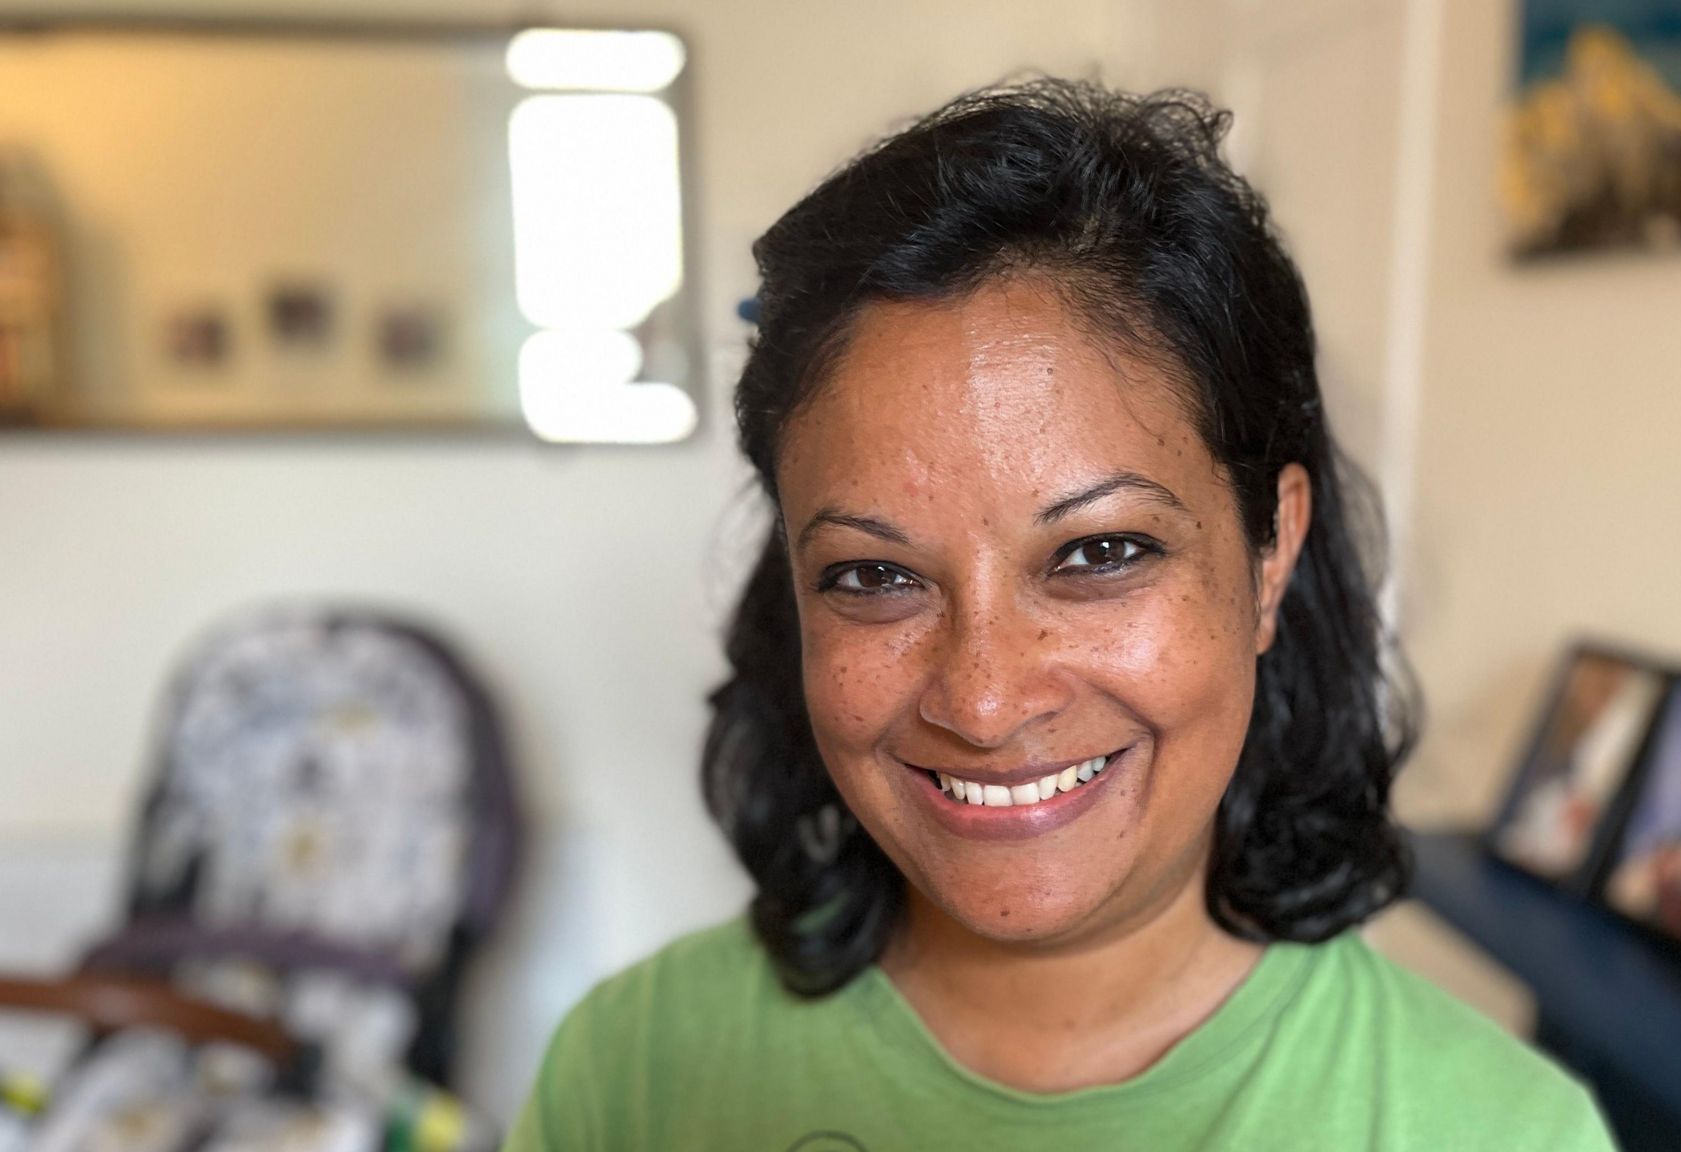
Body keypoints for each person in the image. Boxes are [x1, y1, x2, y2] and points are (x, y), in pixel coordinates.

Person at [509, 79, 1614, 1150]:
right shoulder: (634, 1075)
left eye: (1097, 553)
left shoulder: (1499, 1130)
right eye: (873, 577)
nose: (984, 700)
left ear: (1268, 554)